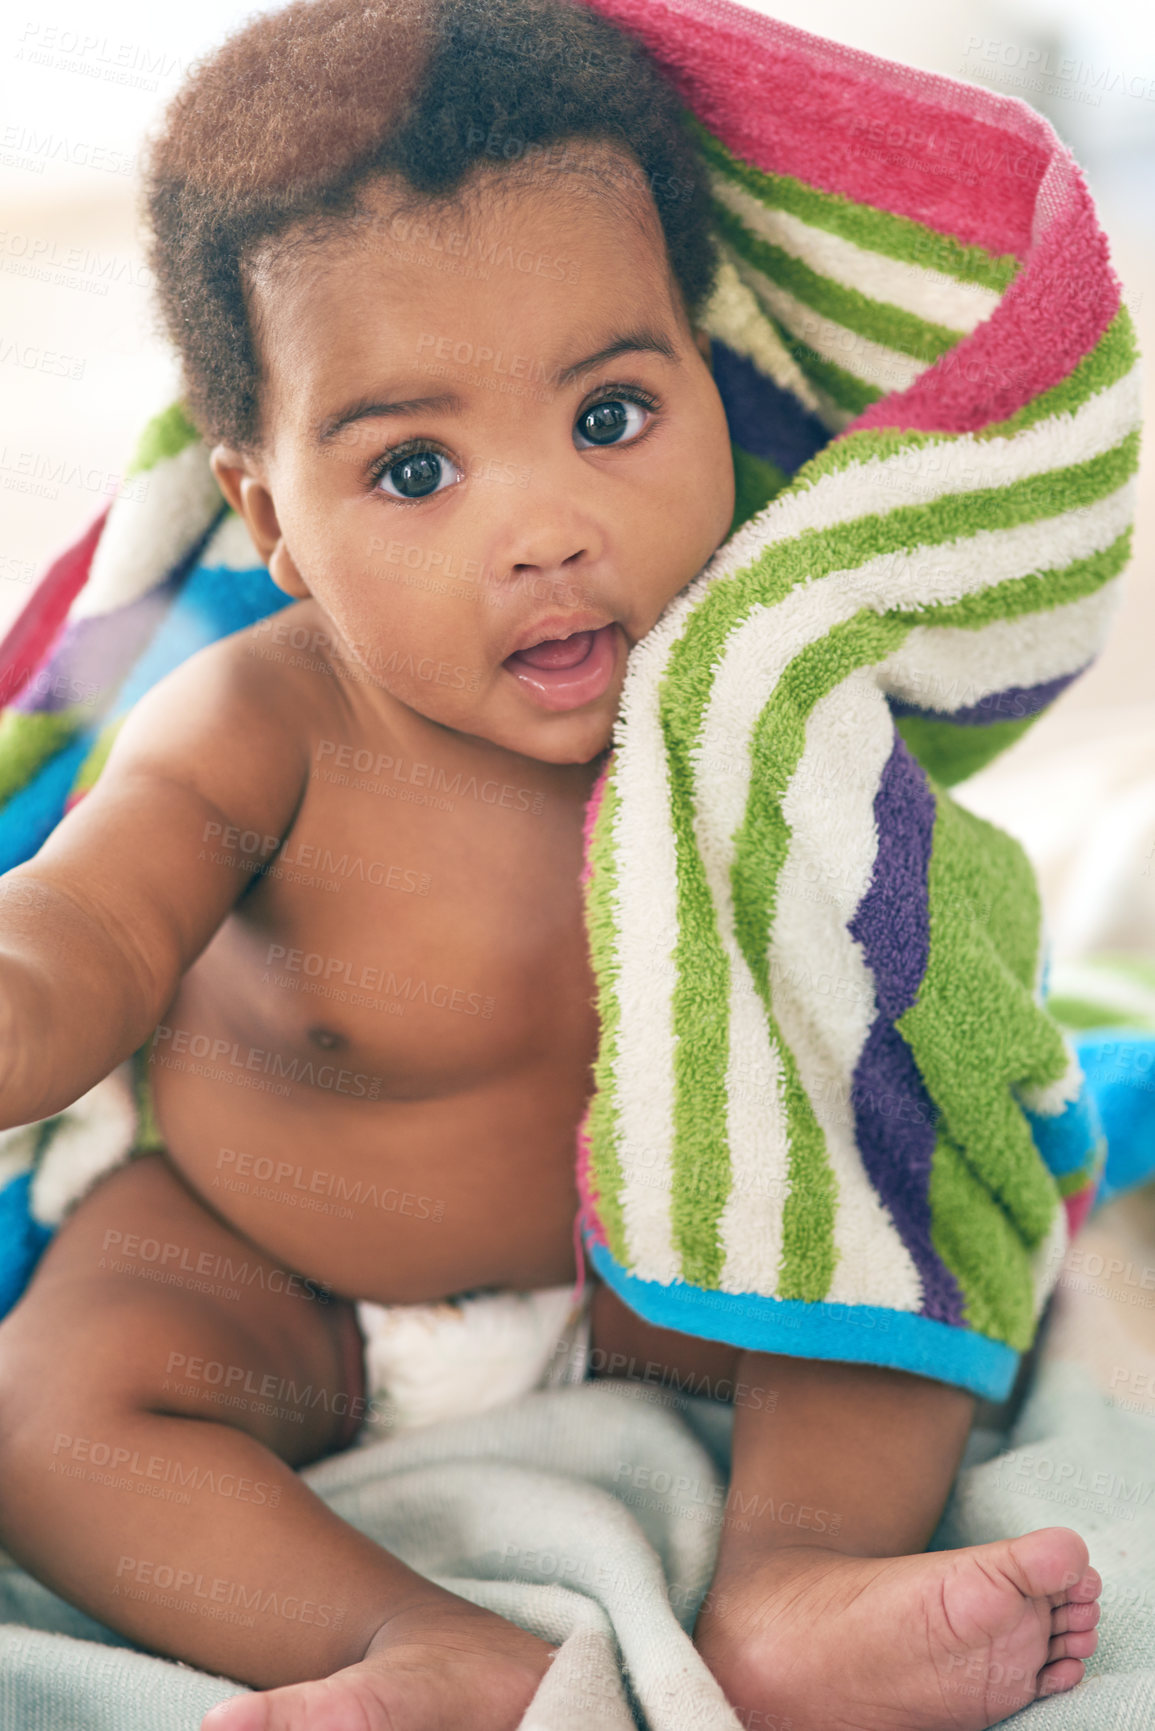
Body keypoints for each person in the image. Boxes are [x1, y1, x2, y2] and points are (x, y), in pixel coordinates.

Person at [0, 0, 1100, 1725]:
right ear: (271, 515)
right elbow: (92, 920)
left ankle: (792, 1584)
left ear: (709, 383)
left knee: (910, 1252)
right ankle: (415, 1645)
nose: (544, 528)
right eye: (415, 467)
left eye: (608, 414)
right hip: (278, 1280)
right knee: (47, 1412)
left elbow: (895, 997)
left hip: (668, 1282)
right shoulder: (255, 719)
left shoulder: (759, 689)